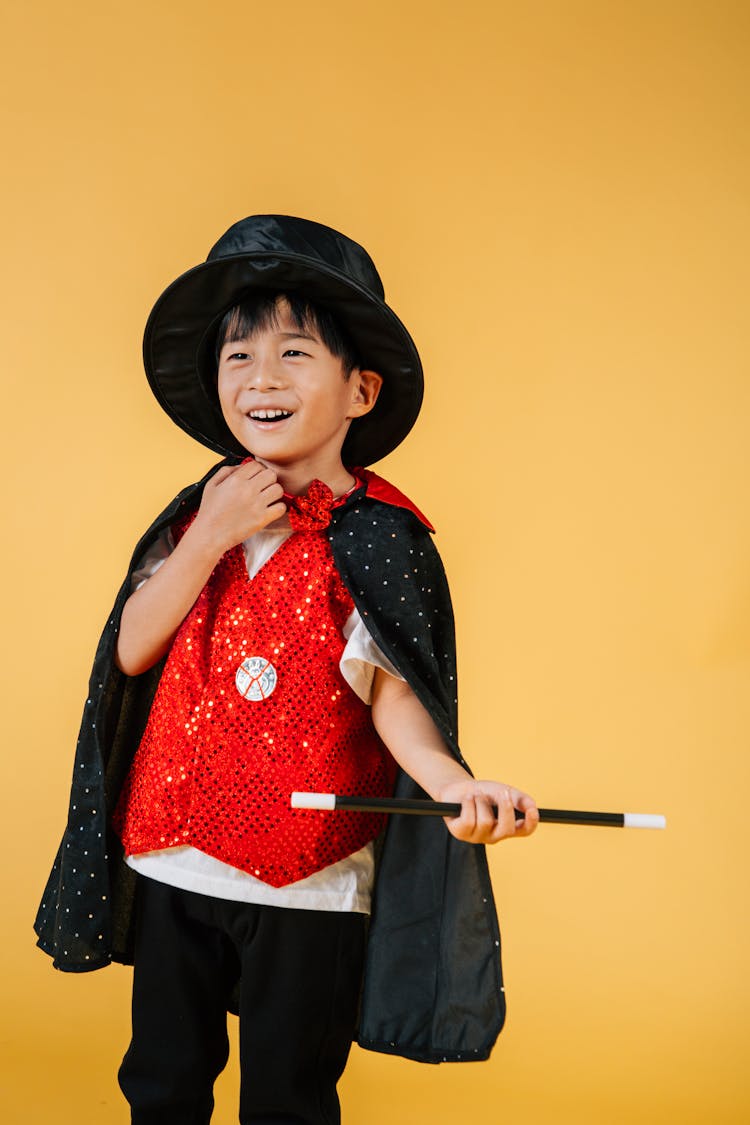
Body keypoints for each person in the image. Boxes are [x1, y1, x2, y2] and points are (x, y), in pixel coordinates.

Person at [35, 214, 539, 1124]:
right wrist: (213, 538)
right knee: (162, 1079)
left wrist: (453, 783)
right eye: (239, 357)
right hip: (174, 855)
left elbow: (395, 693)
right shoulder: (202, 510)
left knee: (288, 1092)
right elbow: (130, 648)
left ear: (359, 390)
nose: (262, 378)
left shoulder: (381, 538)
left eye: (295, 352)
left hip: (308, 877)